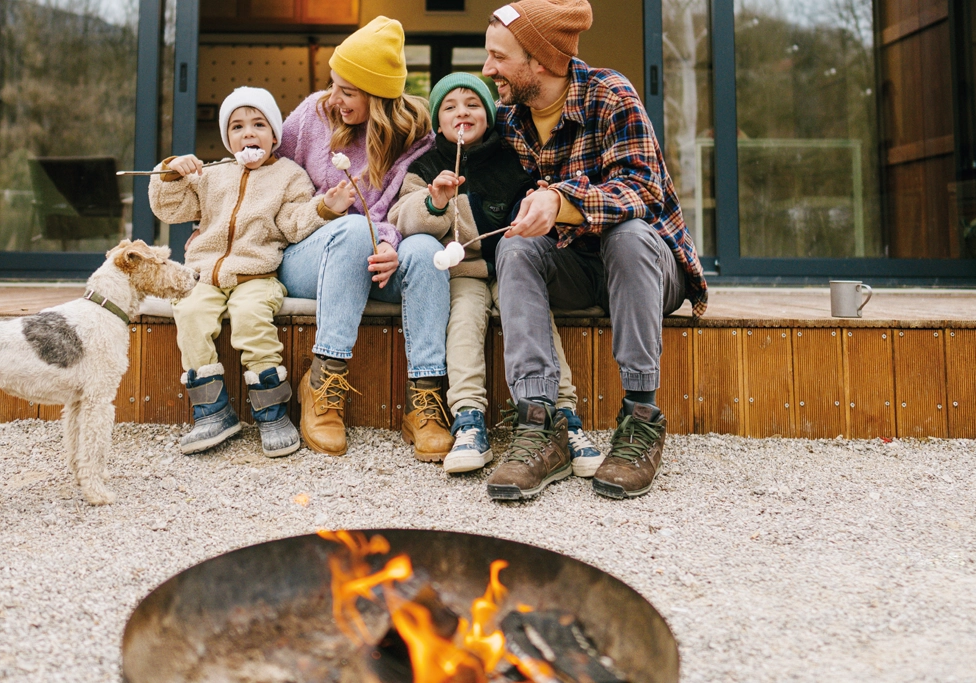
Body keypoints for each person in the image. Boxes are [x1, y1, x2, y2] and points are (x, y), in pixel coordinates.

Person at [481, 0, 708, 501]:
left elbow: (641, 192)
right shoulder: (510, 117)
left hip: (648, 268)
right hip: (577, 267)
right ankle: (540, 425)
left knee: (627, 235)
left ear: (538, 61)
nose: (487, 68)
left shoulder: (610, 94)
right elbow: (452, 131)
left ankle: (641, 418)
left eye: (498, 57)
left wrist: (561, 199)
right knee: (516, 249)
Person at [388, 72, 602, 474]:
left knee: (533, 316)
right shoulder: (426, 165)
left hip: (510, 267)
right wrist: (434, 203)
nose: (462, 112)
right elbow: (401, 218)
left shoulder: (514, 156)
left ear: (489, 114)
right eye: (449, 107)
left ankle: (563, 414)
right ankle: (468, 417)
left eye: (472, 104)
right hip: (464, 271)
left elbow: (538, 203)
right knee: (464, 321)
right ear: (437, 122)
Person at [276, 16, 453, 459]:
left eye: (347, 92)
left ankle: (425, 400)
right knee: (353, 228)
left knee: (427, 250)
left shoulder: (414, 135)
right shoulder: (314, 114)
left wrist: (391, 244)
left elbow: (393, 207)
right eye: (333, 85)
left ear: (378, 96)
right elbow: (264, 171)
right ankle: (324, 380)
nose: (333, 99)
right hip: (310, 251)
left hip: (375, 256)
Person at [149, 87, 355, 457]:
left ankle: (272, 412)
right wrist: (169, 173)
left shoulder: (289, 176)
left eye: (258, 124)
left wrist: (325, 208)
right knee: (191, 314)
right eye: (238, 127)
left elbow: (293, 224)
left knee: (251, 320)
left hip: (256, 276)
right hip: (206, 274)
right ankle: (211, 412)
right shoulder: (212, 175)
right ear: (228, 138)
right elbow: (170, 209)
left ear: (275, 135)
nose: (248, 133)